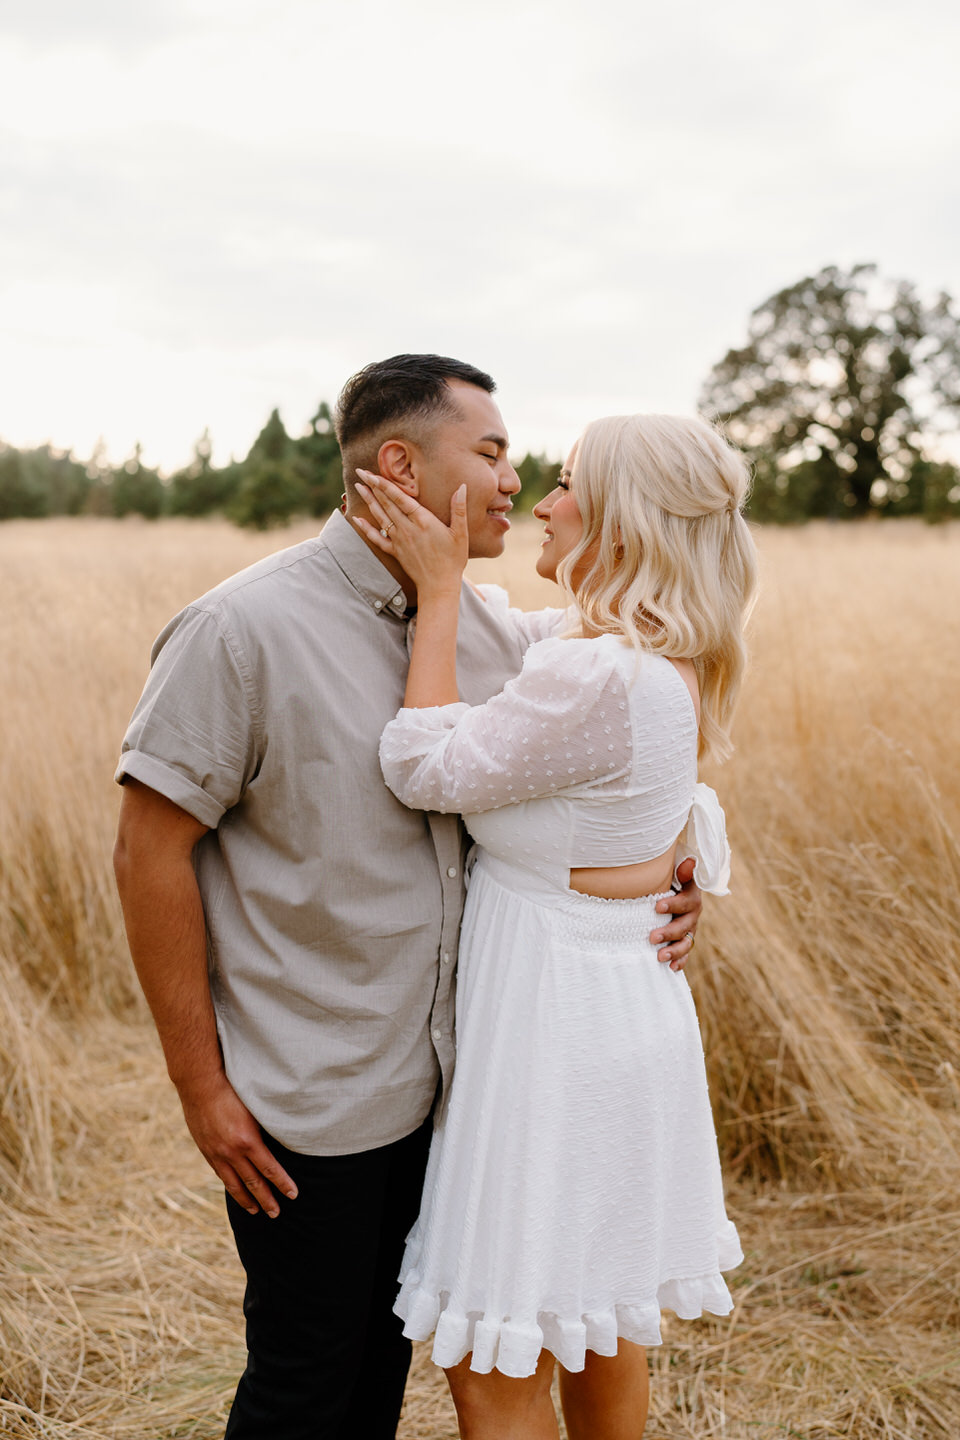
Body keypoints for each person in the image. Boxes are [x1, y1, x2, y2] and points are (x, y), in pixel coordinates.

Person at [112, 356, 705, 1440]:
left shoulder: (490, 629)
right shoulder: (240, 631)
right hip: (318, 1102)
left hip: (470, 1085)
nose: (515, 481)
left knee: (385, 1389)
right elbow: (149, 852)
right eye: (490, 453)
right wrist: (200, 1085)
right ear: (400, 466)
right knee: (309, 1388)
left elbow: (631, 734)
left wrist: (670, 876)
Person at [353, 410, 758, 1440]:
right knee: (594, 1326)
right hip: (615, 1002)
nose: (541, 498)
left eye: (569, 482)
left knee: (494, 1358)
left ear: (620, 516)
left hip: (553, 1027)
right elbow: (671, 801)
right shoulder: (643, 653)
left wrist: (438, 595)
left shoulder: (598, 673)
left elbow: (424, 764)